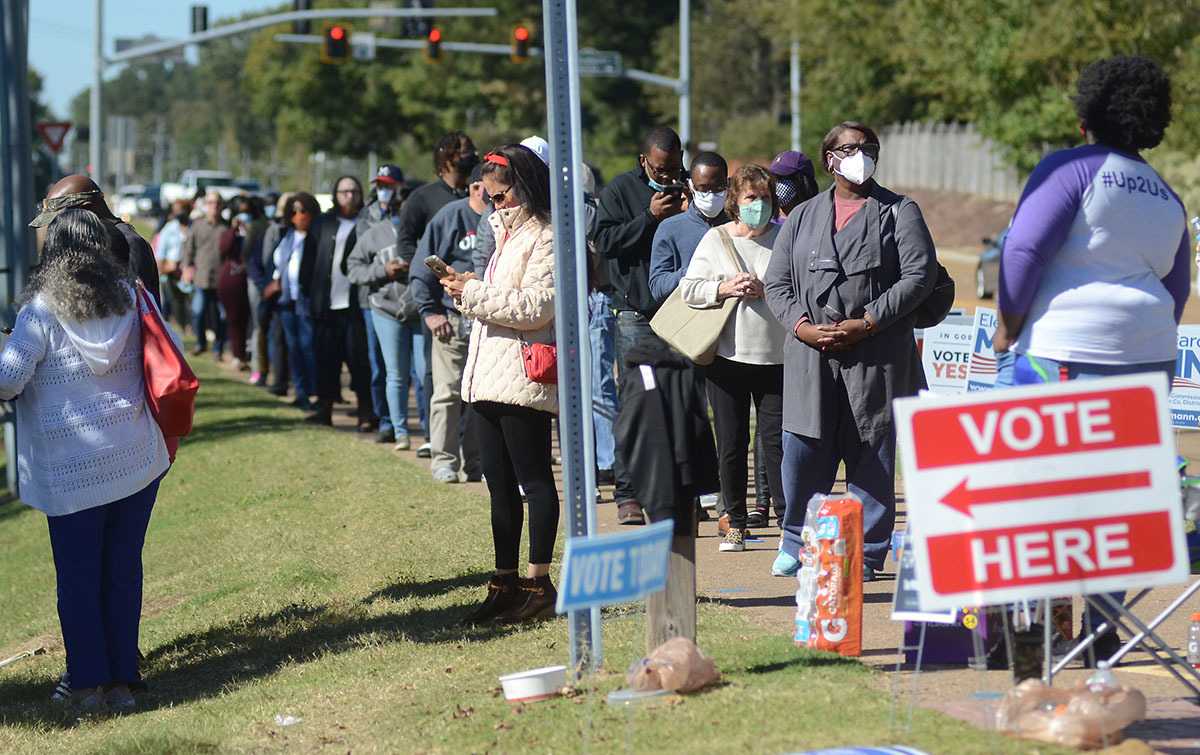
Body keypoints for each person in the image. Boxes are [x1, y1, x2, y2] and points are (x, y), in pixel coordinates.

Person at [995, 56, 1188, 662]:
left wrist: (1008, 326)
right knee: (1118, 498)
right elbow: (1177, 291)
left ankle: (1036, 630)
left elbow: (1024, 249)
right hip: (1149, 355)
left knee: (1038, 492)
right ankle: (1102, 627)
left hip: (1063, 351)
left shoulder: (1070, 168)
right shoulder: (1167, 195)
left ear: (1086, 119)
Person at [0, 209, 171, 714]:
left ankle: (87, 684)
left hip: (73, 467)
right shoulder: (132, 295)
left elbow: (9, 381)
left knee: (77, 577)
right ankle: (123, 683)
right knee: (122, 571)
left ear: (54, 250)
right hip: (136, 456)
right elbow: (171, 351)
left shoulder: (41, 310)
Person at [764, 121, 937, 582]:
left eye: (867, 148)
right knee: (802, 450)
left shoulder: (900, 212)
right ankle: (796, 539)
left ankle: (866, 552)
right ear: (829, 159)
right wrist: (802, 328)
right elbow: (776, 283)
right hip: (810, 354)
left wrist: (869, 321)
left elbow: (918, 277)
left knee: (872, 454)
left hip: (876, 356)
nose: (859, 155)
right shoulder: (802, 216)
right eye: (849, 148)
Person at [444, 145, 560, 623]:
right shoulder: (505, 238)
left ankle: (539, 581)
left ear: (526, 188)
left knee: (534, 481)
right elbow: (500, 301)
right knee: (498, 486)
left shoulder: (548, 236)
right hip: (488, 375)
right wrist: (464, 290)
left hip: (524, 376)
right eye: (488, 197)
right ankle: (504, 581)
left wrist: (473, 292)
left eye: (501, 195)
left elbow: (536, 307)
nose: (495, 205)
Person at [680, 164, 788, 552]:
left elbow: (801, 288)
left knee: (776, 444)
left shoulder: (785, 237)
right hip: (728, 358)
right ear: (735, 203)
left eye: (764, 198)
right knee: (731, 443)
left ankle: (787, 524)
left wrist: (768, 291)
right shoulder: (715, 240)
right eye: (750, 198)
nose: (758, 205)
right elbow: (689, 290)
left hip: (777, 358)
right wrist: (724, 288)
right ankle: (735, 522)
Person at [593, 126, 686, 525]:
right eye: (660, 169)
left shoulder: (690, 190)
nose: (666, 177)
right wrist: (648, 217)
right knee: (635, 402)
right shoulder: (620, 191)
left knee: (682, 403)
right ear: (644, 161)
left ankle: (681, 492)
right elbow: (605, 242)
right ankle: (628, 493)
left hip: (683, 312)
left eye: (673, 168)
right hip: (636, 314)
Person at [399, 132, 478, 457]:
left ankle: (471, 453)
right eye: (465, 152)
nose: (470, 156)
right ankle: (438, 442)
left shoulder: (486, 199)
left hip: (477, 308)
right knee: (437, 378)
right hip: (439, 302)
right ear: (446, 157)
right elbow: (409, 244)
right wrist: (433, 279)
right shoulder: (425, 199)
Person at [410, 164, 486, 483]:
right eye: (481, 187)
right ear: (472, 187)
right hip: (451, 320)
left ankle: (478, 463)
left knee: (482, 397)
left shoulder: (501, 219)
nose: (488, 194)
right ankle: (444, 459)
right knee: (447, 393)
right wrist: (429, 312)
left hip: (487, 320)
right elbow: (421, 268)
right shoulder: (451, 217)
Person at [300, 176, 373, 428]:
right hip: (326, 305)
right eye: (344, 191)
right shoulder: (322, 223)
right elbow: (308, 261)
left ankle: (366, 413)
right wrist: (309, 292)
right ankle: (324, 410)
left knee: (359, 362)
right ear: (335, 194)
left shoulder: (368, 222)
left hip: (356, 306)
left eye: (354, 191)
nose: (349, 196)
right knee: (326, 361)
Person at [30, 174, 161, 306]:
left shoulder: (129, 243)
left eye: (58, 220)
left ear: (85, 208)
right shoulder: (86, 242)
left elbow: (144, 310)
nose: (55, 228)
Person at [350, 164, 407, 443]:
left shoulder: (409, 213)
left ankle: (403, 421)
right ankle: (384, 419)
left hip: (405, 299)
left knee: (405, 367)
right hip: (372, 299)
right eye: (380, 186)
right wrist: (382, 271)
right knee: (379, 365)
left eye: (388, 185)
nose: (383, 191)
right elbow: (357, 261)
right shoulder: (366, 216)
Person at [648, 150, 730, 305]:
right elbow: (657, 288)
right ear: (691, 186)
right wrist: (695, 271)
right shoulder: (670, 228)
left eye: (718, 188)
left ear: (728, 184)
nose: (710, 195)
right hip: (688, 321)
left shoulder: (739, 226)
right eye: (703, 188)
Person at [271, 192, 321, 411]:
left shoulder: (317, 238)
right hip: (286, 301)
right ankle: (300, 392)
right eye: (294, 211)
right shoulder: (287, 237)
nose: (299, 215)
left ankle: (314, 392)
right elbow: (277, 263)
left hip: (306, 301)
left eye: (303, 211)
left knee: (308, 347)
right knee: (293, 348)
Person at [255, 193, 294, 396]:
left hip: (291, 295)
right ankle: (271, 376)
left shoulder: (299, 232)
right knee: (270, 335)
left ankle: (288, 381)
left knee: (290, 340)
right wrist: (264, 286)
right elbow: (255, 261)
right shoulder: (270, 230)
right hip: (271, 294)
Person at [182, 191, 228, 359]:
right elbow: (188, 249)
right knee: (198, 312)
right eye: (210, 203)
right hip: (201, 278)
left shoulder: (226, 227)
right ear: (206, 205)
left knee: (221, 317)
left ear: (221, 206)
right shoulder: (198, 225)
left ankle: (218, 348)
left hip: (221, 280)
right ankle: (201, 343)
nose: (214, 206)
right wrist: (187, 268)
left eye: (217, 203)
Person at [234, 197, 270, 383]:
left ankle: (258, 368)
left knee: (258, 326)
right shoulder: (267, 224)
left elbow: (246, 252)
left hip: (257, 280)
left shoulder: (255, 227)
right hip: (265, 279)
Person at [153, 199, 193, 332]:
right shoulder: (169, 228)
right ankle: (183, 326)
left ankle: (191, 326)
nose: (179, 213)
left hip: (190, 271)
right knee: (176, 302)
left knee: (192, 302)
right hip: (171, 272)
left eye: (182, 210)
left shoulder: (194, 226)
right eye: (176, 210)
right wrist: (164, 268)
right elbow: (161, 252)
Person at [218, 216, 251, 370]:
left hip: (249, 280)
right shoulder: (228, 234)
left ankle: (244, 353)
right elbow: (224, 248)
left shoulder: (251, 232)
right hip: (231, 280)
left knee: (247, 321)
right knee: (234, 320)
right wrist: (233, 230)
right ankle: (238, 354)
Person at [768, 150, 820, 218]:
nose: (776, 184)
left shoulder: (819, 217)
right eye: (774, 178)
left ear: (803, 182)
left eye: (781, 178)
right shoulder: (767, 223)